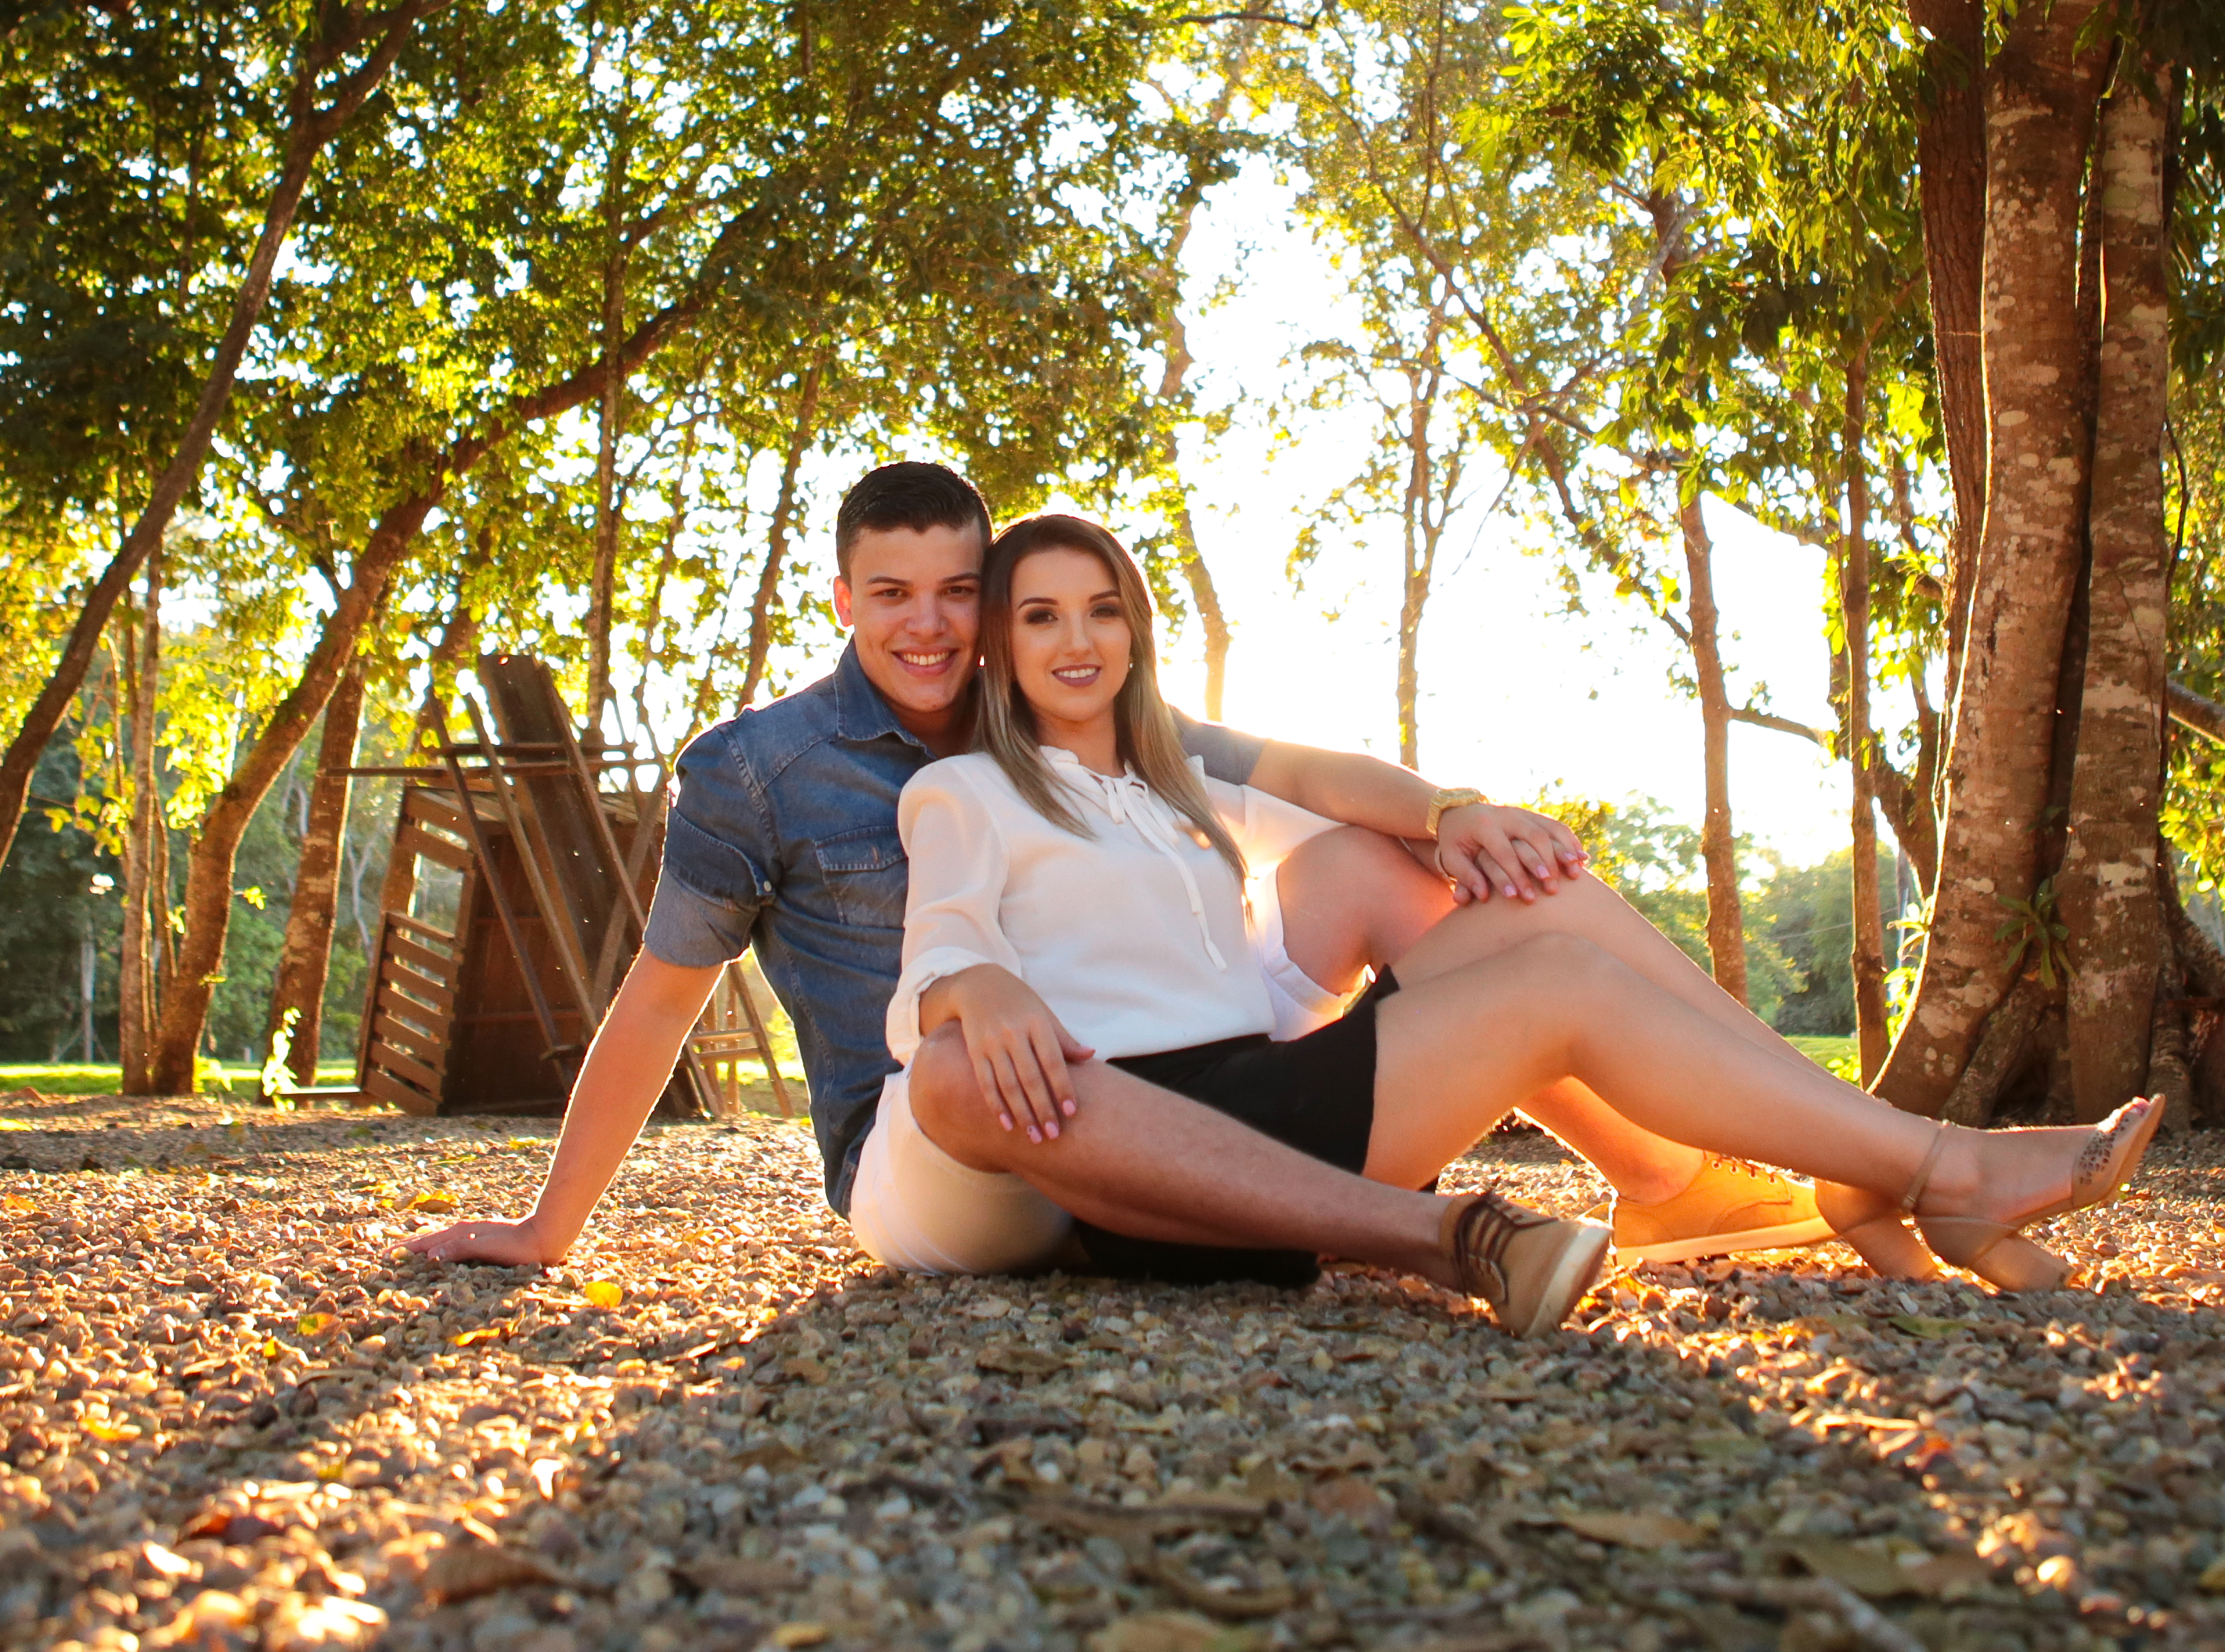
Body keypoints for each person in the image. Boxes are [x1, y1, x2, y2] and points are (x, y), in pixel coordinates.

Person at [404, 463, 1882, 1313]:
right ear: (842, 599)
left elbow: (1299, 771)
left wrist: (1456, 807)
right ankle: (1434, 1237)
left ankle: (1709, 1166)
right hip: (947, 1144)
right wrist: (550, 1227)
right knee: (978, 1066)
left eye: (958, 590)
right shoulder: (760, 772)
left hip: (1168, 1066)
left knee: (1397, 861)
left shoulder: (1085, 727)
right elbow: (663, 998)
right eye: (891, 593)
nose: (930, 623)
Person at [866, 510, 2161, 1324]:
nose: (1077, 639)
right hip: (1162, 1146)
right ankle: (1940, 1168)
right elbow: (945, 944)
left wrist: (1455, 815)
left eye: (1104, 610)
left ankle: (1873, 1160)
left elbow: (1326, 781)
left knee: (1536, 905)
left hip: (1267, 1086)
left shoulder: (1177, 784)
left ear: (1139, 634)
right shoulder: (967, 788)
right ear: (998, 647)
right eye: (1040, 615)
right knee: (1561, 993)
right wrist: (969, 991)